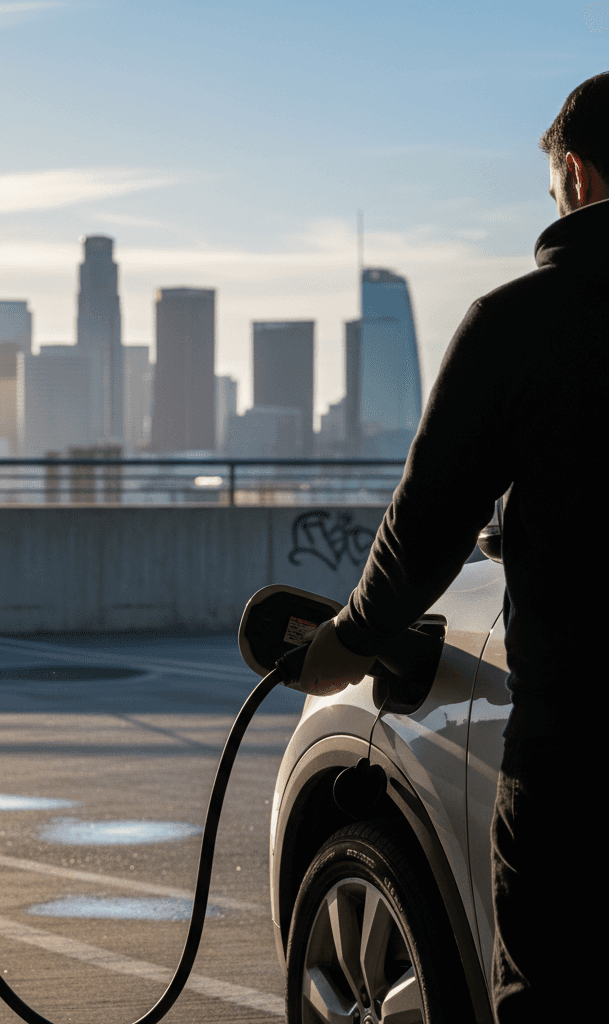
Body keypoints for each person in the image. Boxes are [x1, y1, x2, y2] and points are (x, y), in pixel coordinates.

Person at [298, 73, 608, 1022]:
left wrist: (348, 639)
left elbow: (424, 528)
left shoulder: (520, 324)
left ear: (576, 172)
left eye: (553, 182)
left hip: (579, 755)